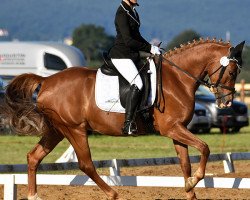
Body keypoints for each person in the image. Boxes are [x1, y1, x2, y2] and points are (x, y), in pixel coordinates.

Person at [108, 0, 161, 135]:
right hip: (121, 56)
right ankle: (128, 123)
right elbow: (129, 40)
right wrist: (149, 48)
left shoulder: (132, 11)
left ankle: (144, 115)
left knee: (148, 75)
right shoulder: (121, 13)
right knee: (137, 82)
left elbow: (137, 36)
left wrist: (151, 48)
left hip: (132, 55)